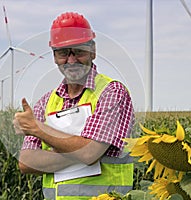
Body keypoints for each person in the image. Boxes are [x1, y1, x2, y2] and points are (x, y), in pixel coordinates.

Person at [14, 12, 135, 200]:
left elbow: (88, 153)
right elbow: (27, 162)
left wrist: (37, 128)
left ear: (92, 50)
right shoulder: (45, 102)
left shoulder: (111, 93)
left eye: (78, 51)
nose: (71, 60)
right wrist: (78, 151)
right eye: (63, 53)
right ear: (54, 56)